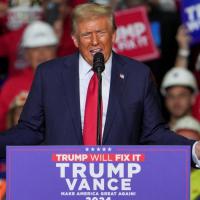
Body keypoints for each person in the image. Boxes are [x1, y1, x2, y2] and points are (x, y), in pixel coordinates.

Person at [0, 3, 199, 166]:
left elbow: (154, 133)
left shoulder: (137, 75)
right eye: (87, 35)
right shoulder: (49, 75)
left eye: (101, 33)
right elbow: (30, 131)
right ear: (75, 40)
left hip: (118, 186)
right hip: (62, 185)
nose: (95, 41)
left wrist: (193, 149)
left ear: (113, 35)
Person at [0, 20, 58, 131]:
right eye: (35, 49)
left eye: (47, 48)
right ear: (26, 54)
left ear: (55, 50)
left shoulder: (70, 81)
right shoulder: (11, 86)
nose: (42, 54)